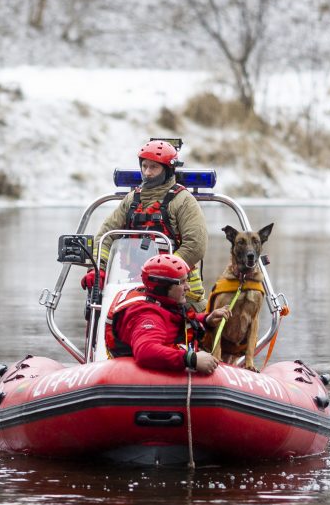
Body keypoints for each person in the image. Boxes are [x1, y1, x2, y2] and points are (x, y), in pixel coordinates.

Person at [82, 139, 208, 306]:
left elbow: (195, 246)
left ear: (168, 170)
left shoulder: (183, 201)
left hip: (181, 292)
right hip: (137, 286)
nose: (147, 172)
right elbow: (105, 236)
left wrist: (163, 275)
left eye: (154, 167)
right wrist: (98, 270)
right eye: (144, 166)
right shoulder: (131, 200)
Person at [105, 254, 230, 375]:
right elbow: (145, 350)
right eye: (182, 282)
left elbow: (174, 319)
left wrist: (206, 319)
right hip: (142, 379)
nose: (188, 288)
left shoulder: (159, 302)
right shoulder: (147, 316)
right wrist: (191, 359)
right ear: (163, 287)